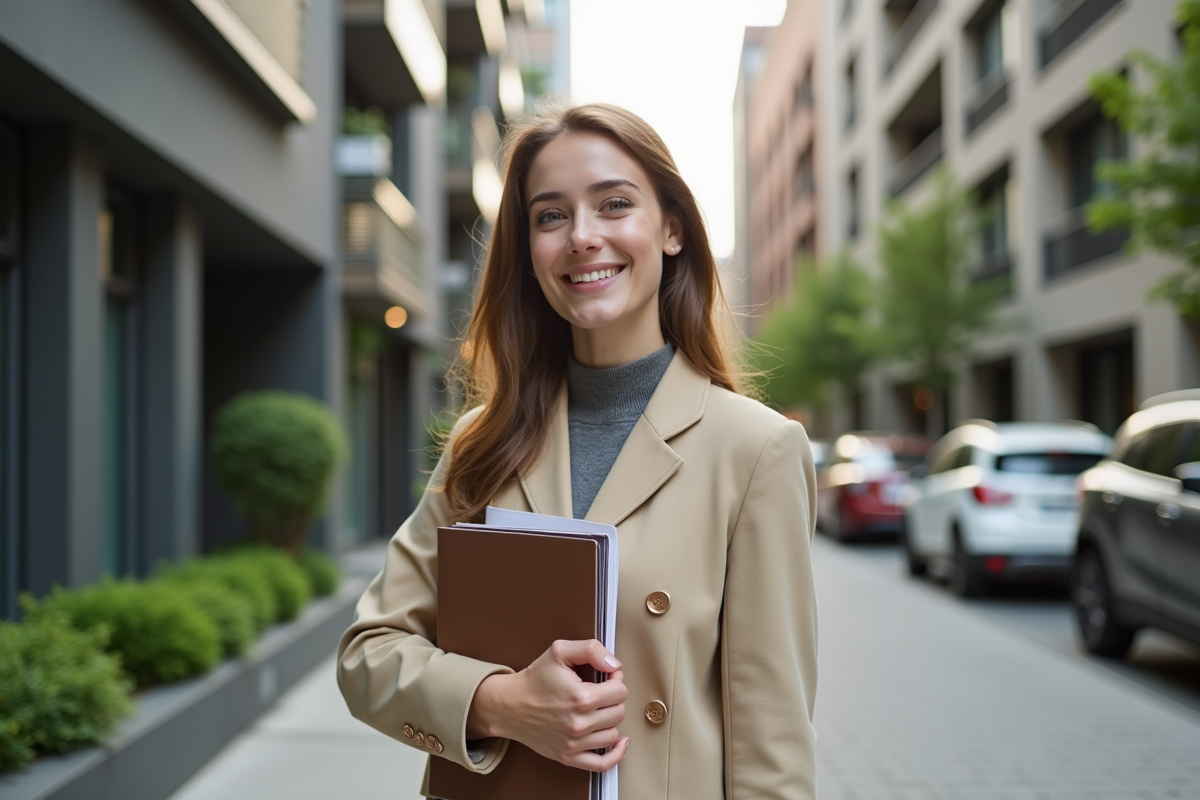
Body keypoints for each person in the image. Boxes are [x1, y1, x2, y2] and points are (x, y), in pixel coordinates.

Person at [337, 102, 818, 800]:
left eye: (615, 204)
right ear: (529, 253)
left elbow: (771, 749)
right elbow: (368, 655)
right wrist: (501, 703)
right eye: (551, 216)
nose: (582, 237)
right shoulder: (482, 441)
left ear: (673, 229)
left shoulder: (756, 450)